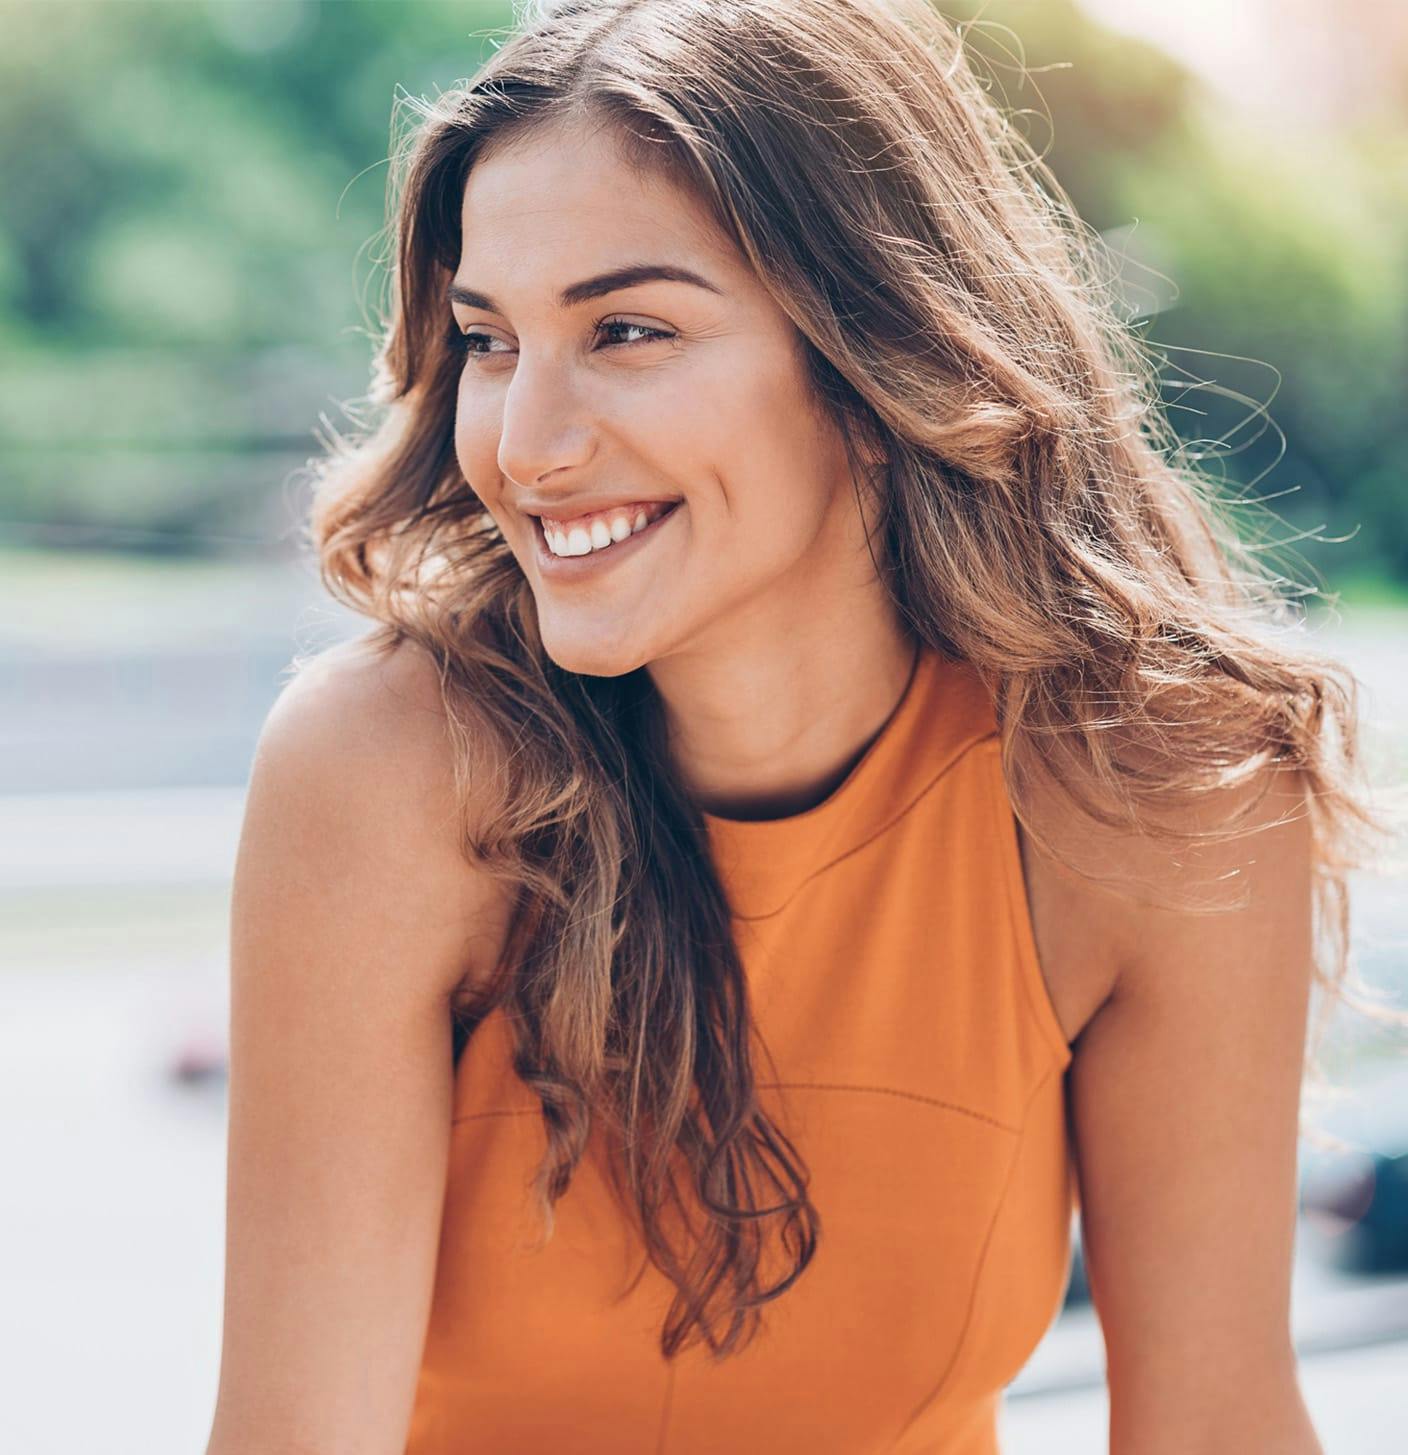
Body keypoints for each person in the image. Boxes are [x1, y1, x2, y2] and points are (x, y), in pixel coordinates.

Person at [204, 2, 1399, 1452]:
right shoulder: (385, 776)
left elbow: (1215, 1422)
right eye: (491, 340)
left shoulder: (1165, 793)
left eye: (627, 331)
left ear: (874, 347)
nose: (525, 443)